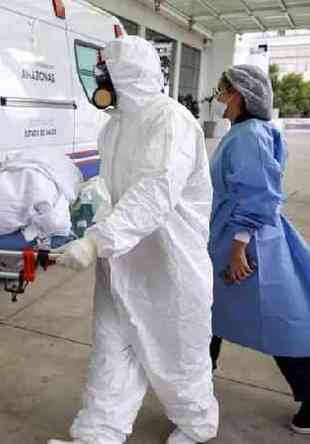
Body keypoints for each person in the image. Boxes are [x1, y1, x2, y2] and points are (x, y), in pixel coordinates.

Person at [49, 36, 219, 444]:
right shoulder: (114, 127)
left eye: (104, 75)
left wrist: (96, 242)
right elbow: (113, 189)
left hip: (170, 263)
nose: (99, 84)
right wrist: (86, 218)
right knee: (112, 348)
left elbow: (154, 192)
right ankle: (97, 434)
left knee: (177, 351)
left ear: (125, 77)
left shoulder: (171, 121)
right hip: (121, 261)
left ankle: (196, 427)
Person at [208, 64, 310, 434]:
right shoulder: (248, 131)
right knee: (207, 311)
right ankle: (198, 378)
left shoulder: (248, 135)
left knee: (278, 319)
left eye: (221, 88)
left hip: (244, 242)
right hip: (237, 235)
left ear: (237, 93)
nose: (217, 94)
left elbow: (257, 193)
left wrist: (238, 249)